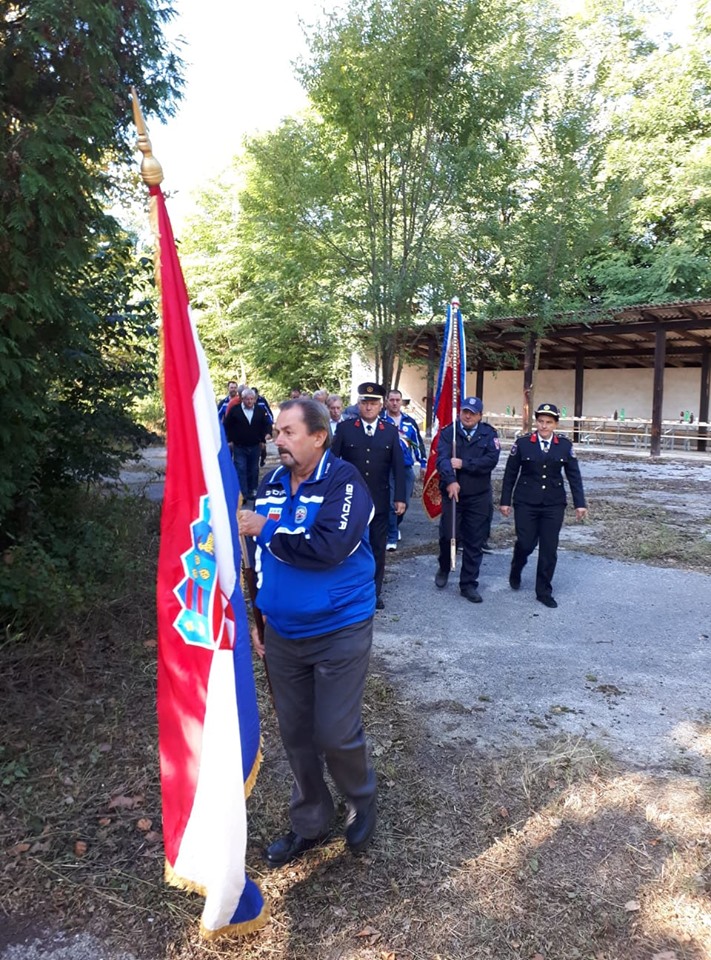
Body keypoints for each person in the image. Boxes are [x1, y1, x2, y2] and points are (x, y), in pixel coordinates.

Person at [238, 398, 378, 866]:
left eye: (288, 432)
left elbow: (328, 547)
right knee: (296, 734)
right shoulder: (272, 483)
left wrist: (266, 528)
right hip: (283, 633)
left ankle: (361, 798)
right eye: (276, 431)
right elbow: (260, 561)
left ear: (319, 437)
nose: (277, 439)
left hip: (339, 627)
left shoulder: (345, 483)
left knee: (334, 731)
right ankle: (312, 821)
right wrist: (261, 616)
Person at [499, 402, 588, 608]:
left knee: (549, 548)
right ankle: (517, 566)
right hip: (526, 502)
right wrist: (505, 501)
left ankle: (544, 591)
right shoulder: (523, 444)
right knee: (526, 543)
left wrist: (580, 503)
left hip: (553, 504)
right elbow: (510, 474)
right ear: (536, 422)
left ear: (555, 424)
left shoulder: (564, 445)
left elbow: (574, 476)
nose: (544, 426)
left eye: (548, 422)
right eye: (540, 421)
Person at [331, 382, 406, 610]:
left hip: (379, 500)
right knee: (349, 546)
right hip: (350, 500)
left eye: (373, 403)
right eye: (365, 402)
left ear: (381, 406)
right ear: (358, 404)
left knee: (377, 548)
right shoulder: (345, 429)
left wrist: (400, 497)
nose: (369, 407)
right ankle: (350, 591)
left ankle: (374, 592)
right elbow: (332, 463)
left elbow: (398, 467)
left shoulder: (390, 431)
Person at [434, 397, 500, 603]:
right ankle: (444, 566)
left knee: (474, 540)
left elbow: (490, 461)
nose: (468, 416)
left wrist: (464, 464)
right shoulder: (449, 432)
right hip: (452, 494)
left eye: (472, 413)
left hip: (478, 495)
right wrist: (451, 480)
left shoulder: (489, 434)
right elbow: (442, 459)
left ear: (480, 415)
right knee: (448, 535)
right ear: (460, 412)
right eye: (465, 412)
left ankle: (468, 584)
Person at [380, 388, 427, 550]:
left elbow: (418, 444)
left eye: (397, 400)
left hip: (406, 467)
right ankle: (392, 536)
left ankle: (394, 526)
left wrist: (423, 463)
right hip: (387, 467)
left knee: (404, 502)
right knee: (391, 502)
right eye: (391, 400)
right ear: (386, 402)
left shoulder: (409, 422)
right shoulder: (381, 420)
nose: (394, 403)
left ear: (401, 402)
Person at [223, 388, 272, 502]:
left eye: (252, 399)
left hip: (255, 445)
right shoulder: (235, 410)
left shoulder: (259, 410)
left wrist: (266, 435)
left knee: (253, 469)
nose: (250, 401)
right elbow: (227, 426)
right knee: (241, 469)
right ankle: (243, 494)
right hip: (239, 446)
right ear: (242, 399)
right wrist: (229, 440)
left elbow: (266, 424)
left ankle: (253, 490)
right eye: (247, 399)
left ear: (255, 399)